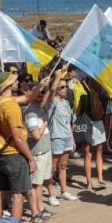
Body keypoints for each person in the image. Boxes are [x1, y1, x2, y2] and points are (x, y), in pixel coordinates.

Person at [0, 72, 37, 221]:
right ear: (8, 84)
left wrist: (40, 86)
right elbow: (19, 138)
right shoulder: (11, 107)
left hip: (0, 154)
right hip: (14, 155)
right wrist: (31, 158)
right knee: (18, 195)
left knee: (0, 192)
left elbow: (28, 97)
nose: (17, 83)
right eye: (15, 80)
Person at [22, 86, 54, 223]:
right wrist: (45, 122)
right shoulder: (31, 112)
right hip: (37, 153)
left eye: (43, 92)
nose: (42, 95)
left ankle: (41, 208)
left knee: (40, 183)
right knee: (35, 184)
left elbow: (50, 92)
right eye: (39, 93)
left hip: (45, 151)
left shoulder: (39, 107)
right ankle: (34, 211)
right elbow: (35, 135)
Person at [46, 73, 78, 205]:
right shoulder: (52, 102)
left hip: (66, 137)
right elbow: (52, 90)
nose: (65, 89)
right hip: (56, 137)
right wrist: (59, 75)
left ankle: (64, 191)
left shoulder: (66, 103)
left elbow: (68, 123)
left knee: (63, 166)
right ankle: (51, 194)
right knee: (52, 167)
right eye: (62, 87)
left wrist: (72, 139)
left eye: (66, 87)